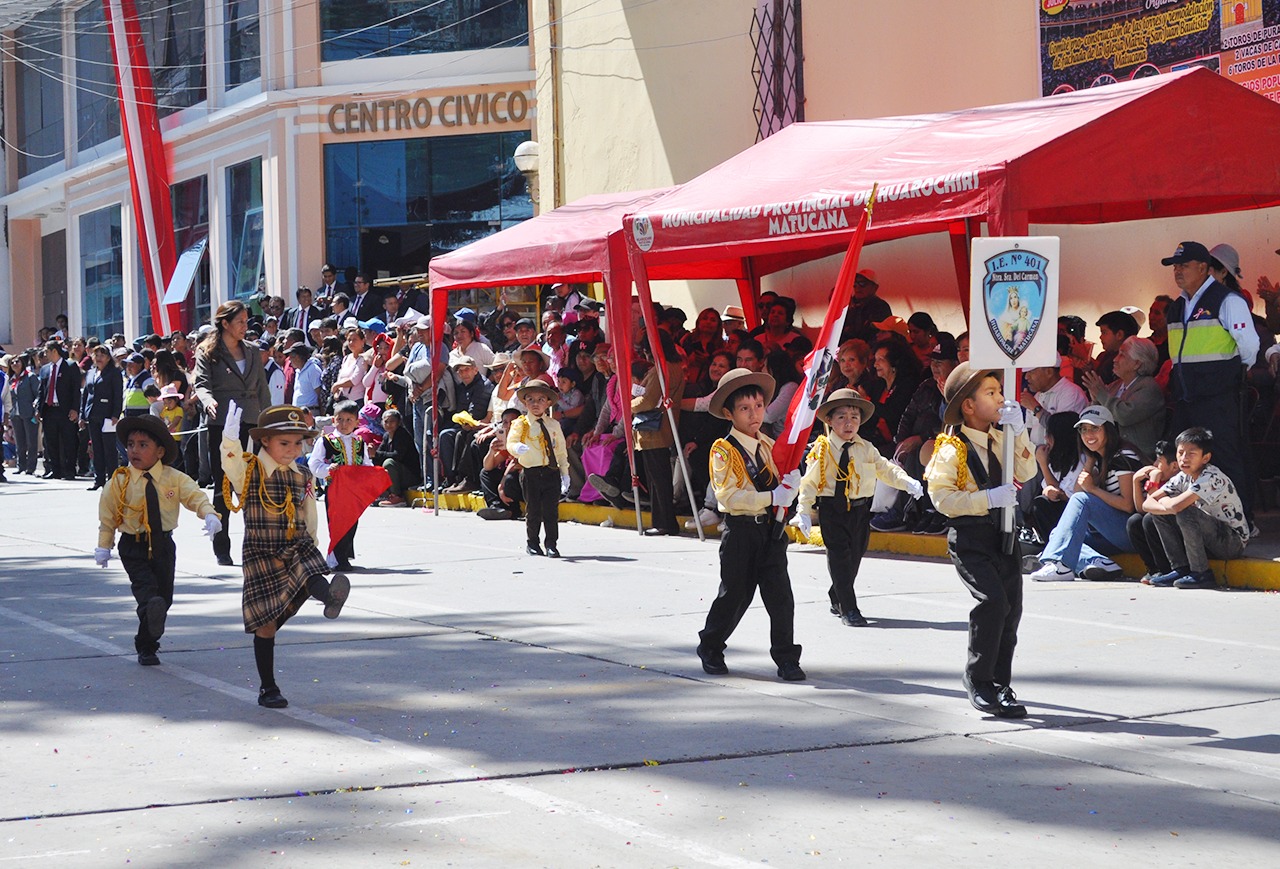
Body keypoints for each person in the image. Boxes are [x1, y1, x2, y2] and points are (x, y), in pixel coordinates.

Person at [220, 401, 351, 709]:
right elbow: (231, 466)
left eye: (297, 442)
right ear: (265, 440)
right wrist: (229, 440)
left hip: (295, 542)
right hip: (262, 552)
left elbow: (308, 509)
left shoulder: (302, 474)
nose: (293, 449)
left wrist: (314, 539)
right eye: (284, 443)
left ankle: (330, 596)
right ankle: (268, 688)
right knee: (265, 624)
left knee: (309, 570)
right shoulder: (251, 469)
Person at [924, 363, 1036, 718]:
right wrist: (986, 499)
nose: (1001, 399)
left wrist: (1020, 432)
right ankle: (979, 679)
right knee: (992, 603)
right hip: (971, 535)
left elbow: (1027, 471)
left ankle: (1001, 682)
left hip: (1004, 533)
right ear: (968, 406)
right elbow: (942, 499)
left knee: (1010, 610)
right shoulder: (951, 448)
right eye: (991, 393)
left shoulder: (1001, 438)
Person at [695, 367, 805, 682]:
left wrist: (792, 485)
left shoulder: (770, 446)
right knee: (734, 596)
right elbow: (728, 497)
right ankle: (711, 645)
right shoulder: (724, 450)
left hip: (771, 532)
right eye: (744, 408)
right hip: (741, 532)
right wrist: (773, 496)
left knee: (781, 597)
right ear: (729, 413)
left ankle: (786, 658)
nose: (754, 414)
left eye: (758, 406)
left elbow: (783, 485)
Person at [94, 415, 220, 666]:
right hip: (133, 545)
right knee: (148, 595)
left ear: (160, 451)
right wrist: (104, 545)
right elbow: (107, 516)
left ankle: (148, 639)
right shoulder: (120, 480)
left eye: (143, 445)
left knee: (164, 598)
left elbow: (195, 496)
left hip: (163, 545)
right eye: (130, 444)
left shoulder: (174, 478)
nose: (134, 450)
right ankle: (147, 645)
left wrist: (209, 515)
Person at [796, 389, 923, 626]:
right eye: (841, 417)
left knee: (854, 557)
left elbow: (884, 469)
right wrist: (803, 510)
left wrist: (906, 481)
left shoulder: (866, 447)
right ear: (830, 421)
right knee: (839, 557)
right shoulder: (822, 449)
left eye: (854, 417)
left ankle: (837, 595)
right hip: (832, 510)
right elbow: (810, 482)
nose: (848, 423)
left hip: (860, 510)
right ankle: (849, 609)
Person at [1162, 240, 1258, 518]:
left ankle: (1242, 521)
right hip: (1185, 396)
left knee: (1226, 455)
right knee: (1185, 458)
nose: (1178, 271)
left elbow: (1249, 346)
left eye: (1184, 265)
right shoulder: (1177, 306)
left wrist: (1226, 376)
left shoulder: (1227, 300)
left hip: (1219, 396)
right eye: (1174, 266)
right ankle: (1200, 518)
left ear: (1203, 267)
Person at [194, 300, 273, 567]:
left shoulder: (252, 350)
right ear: (225, 323)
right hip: (222, 424)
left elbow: (262, 389)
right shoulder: (207, 351)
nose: (244, 326)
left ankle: (256, 545)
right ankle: (222, 546)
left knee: (253, 486)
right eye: (239, 321)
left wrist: (270, 423)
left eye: (246, 321)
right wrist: (208, 402)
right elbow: (201, 384)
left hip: (251, 422)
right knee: (223, 484)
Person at [1029, 405, 1142, 582]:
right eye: (1083, 430)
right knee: (1057, 535)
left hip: (1132, 532)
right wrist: (1090, 461)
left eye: (1095, 429)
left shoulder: (1122, 455)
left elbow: (1128, 505)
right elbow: (1077, 493)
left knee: (1082, 501)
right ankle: (1100, 562)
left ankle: (1060, 565)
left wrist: (1093, 489)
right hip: (1110, 535)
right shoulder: (1098, 457)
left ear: (1109, 430)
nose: (1088, 435)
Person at [1142, 427, 1248, 589]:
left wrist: (1169, 504)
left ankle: (1201, 573)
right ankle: (1180, 568)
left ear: (1205, 458)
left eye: (1191, 454)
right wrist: (1168, 507)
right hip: (1205, 538)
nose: (1184, 458)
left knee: (1185, 511)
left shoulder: (1211, 477)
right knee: (1155, 515)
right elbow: (1147, 504)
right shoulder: (1183, 476)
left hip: (1230, 543)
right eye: (1180, 452)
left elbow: (1178, 506)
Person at [506, 378, 569, 557]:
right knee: (533, 510)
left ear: (548, 402)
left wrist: (565, 474)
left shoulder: (553, 425)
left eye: (541, 399)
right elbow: (512, 441)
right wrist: (516, 448)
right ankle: (532, 542)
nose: (535, 404)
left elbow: (561, 451)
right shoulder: (520, 423)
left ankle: (551, 544)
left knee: (551, 511)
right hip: (531, 472)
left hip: (551, 472)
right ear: (525, 402)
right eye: (531, 400)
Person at [308, 400, 373, 571]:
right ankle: (337, 557)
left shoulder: (359, 442)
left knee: (352, 522)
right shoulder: (325, 441)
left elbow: (366, 464)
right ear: (334, 420)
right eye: (340, 419)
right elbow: (314, 464)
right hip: (335, 488)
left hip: (353, 490)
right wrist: (328, 469)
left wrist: (369, 475)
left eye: (348, 420)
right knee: (337, 522)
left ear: (357, 422)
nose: (344, 424)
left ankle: (343, 554)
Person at [632, 330, 685, 536]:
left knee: (658, 481)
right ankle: (662, 521)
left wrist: (629, 404)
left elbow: (647, 401)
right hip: (663, 427)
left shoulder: (660, 371)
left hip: (653, 430)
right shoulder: (675, 367)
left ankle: (664, 522)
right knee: (659, 479)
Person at [1081, 336, 1165, 459]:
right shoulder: (1116, 385)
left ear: (1137, 364)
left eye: (1122, 355)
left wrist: (1100, 394)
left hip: (1139, 459)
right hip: (1113, 456)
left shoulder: (1149, 387)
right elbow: (1097, 416)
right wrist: (1095, 398)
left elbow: (1124, 415)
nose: (1115, 359)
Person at [1128, 439, 1180, 584]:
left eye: (1159, 461)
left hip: (1179, 532)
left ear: (1174, 466)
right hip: (1161, 526)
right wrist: (1135, 482)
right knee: (1135, 521)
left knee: (1150, 520)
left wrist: (1153, 482)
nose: (1155, 465)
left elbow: (1152, 508)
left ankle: (1166, 570)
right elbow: (1141, 508)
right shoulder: (1160, 480)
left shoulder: (1177, 481)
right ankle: (1153, 569)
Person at [1020, 355, 1088, 447]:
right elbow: (1028, 431)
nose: (1026, 377)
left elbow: (1062, 430)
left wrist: (1036, 408)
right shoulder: (1037, 396)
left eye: (1031, 372)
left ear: (1049, 372)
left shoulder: (1071, 393)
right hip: (1036, 457)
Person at [80, 345, 123, 490]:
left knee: (109, 449)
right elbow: (85, 394)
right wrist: (82, 414)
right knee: (96, 448)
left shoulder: (114, 373)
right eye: (96, 355)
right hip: (92, 414)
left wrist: (116, 414)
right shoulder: (91, 373)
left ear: (108, 358)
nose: (99, 358)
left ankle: (111, 480)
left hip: (108, 416)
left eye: (102, 356)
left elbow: (117, 395)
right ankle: (99, 479)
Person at [38, 340, 81, 480]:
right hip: (50, 410)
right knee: (51, 442)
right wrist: (39, 409)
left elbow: (76, 390)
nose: (45, 355)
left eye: (47, 351)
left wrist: (75, 409)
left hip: (65, 410)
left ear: (54, 351)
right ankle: (55, 470)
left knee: (68, 440)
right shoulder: (45, 369)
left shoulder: (70, 366)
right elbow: (41, 391)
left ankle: (70, 470)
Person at [373, 408, 420, 507]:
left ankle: (397, 496)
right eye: (386, 422)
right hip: (398, 474)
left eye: (392, 421)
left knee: (389, 463)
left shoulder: (402, 434)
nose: (389, 424)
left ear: (398, 422)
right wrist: (372, 453)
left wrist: (376, 454)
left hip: (409, 476)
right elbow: (379, 455)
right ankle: (383, 494)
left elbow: (397, 456)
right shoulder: (386, 436)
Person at [840, 269, 892, 343]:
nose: (858, 287)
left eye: (862, 283)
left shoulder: (881, 307)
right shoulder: (849, 306)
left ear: (875, 287)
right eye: (855, 284)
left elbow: (877, 335)